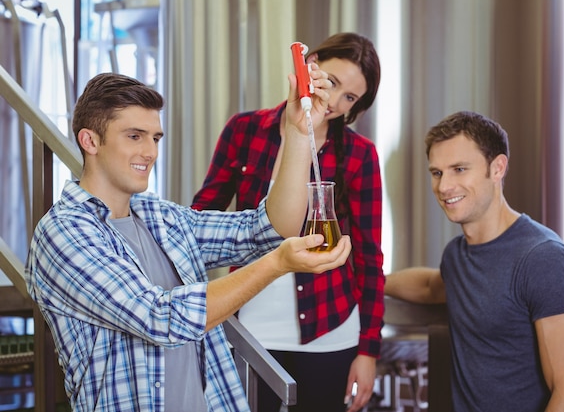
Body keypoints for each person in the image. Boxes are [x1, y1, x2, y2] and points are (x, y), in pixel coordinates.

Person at [24, 71, 353, 412]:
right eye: (134, 136)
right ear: (90, 141)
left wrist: (299, 133)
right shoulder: (64, 234)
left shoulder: (160, 217)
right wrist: (276, 265)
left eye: (155, 138)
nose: (149, 151)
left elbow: (266, 229)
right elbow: (159, 318)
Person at [192, 32, 384, 412]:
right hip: (249, 326)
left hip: (330, 330)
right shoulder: (244, 131)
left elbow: (369, 258)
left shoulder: (360, 155)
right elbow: (201, 218)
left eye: (350, 98)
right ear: (308, 66)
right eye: (333, 82)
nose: (335, 102)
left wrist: (368, 351)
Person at [384, 111, 564, 412]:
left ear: (497, 168)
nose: (444, 187)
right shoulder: (457, 255)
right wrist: (365, 278)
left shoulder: (544, 259)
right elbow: (431, 287)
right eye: (437, 172)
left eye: (459, 169)